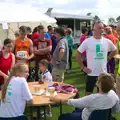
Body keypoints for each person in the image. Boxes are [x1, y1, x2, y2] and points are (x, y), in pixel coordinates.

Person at [50, 73, 120, 120]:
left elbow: (74, 102)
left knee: (62, 117)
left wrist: (57, 100)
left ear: (99, 84)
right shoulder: (113, 95)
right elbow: (116, 110)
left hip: (86, 117)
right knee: (76, 111)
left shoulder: (93, 98)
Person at [76, 21, 117, 95]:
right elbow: (77, 53)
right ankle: (88, 107)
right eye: (100, 28)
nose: (102, 29)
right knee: (88, 94)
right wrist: (82, 67)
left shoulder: (107, 41)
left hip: (103, 74)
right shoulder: (87, 41)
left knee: (103, 94)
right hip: (91, 73)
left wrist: (108, 58)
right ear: (94, 29)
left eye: (102, 28)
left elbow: (115, 50)